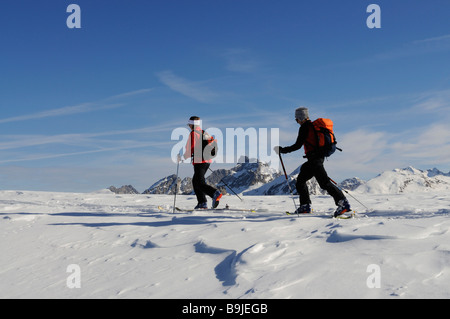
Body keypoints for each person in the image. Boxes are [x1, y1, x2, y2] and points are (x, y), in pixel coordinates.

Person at [274, 107, 351, 217]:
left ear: (301, 118)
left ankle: (343, 203)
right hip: (315, 159)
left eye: (296, 119)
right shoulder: (313, 127)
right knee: (301, 180)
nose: (296, 121)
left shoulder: (305, 127)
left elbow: (297, 145)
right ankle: (305, 206)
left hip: (315, 160)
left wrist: (282, 150)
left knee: (324, 183)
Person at [178, 116, 222, 209]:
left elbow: (190, 149)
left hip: (200, 160)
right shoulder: (204, 132)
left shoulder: (193, 133)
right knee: (195, 181)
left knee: (199, 182)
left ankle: (214, 193)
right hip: (207, 160)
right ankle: (202, 203)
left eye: (189, 124)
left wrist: (182, 158)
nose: (189, 126)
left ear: (192, 124)